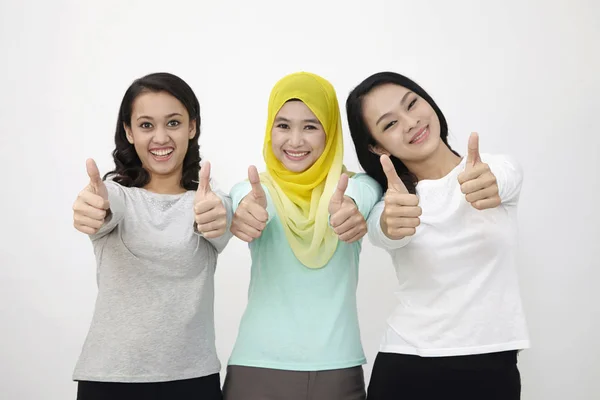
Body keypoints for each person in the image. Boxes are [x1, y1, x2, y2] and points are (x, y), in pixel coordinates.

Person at [345, 71, 529, 400]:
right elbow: (384, 230)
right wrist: (390, 221)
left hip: (493, 367)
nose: (411, 122)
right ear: (376, 146)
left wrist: (489, 183)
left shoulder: (493, 170)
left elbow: (504, 178)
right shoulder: (391, 204)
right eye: (389, 124)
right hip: (406, 366)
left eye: (412, 104)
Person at [71, 72, 232, 400]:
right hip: (110, 379)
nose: (161, 137)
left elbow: (217, 217)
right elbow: (105, 206)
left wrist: (217, 215)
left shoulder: (208, 199)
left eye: (173, 123)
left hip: (192, 380)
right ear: (129, 132)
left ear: (192, 127)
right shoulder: (116, 197)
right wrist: (94, 206)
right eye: (146, 125)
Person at [223, 72, 382, 400]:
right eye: (283, 125)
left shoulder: (357, 186)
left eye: (310, 126)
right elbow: (243, 202)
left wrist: (350, 207)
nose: (295, 141)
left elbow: (362, 195)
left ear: (330, 132)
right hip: (257, 369)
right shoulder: (255, 191)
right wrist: (243, 212)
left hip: (337, 370)